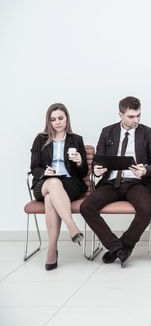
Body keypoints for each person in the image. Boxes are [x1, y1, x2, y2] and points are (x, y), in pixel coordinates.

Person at [80, 96, 151, 267]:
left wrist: (146, 170)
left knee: (146, 209)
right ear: (120, 114)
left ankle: (124, 245)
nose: (136, 120)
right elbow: (97, 160)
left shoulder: (148, 132)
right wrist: (96, 169)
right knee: (86, 207)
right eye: (131, 117)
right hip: (111, 182)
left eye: (139, 115)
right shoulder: (107, 132)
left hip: (137, 183)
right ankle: (116, 247)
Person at [30, 103, 88, 271]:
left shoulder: (76, 139)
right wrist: (44, 171)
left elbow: (83, 172)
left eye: (60, 118)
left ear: (67, 118)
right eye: (53, 119)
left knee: (51, 198)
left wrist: (79, 162)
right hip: (45, 183)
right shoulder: (40, 139)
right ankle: (72, 226)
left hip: (70, 184)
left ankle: (51, 249)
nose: (57, 122)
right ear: (48, 121)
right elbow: (34, 167)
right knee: (53, 183)